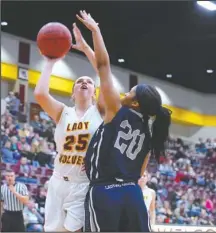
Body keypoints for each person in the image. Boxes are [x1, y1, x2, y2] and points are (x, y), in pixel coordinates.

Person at [78, 10, 171, 231]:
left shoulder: (117, 111)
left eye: (129, 92)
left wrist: (96, 31)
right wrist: (85, 49)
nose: (124, 93)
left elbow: (103, 67)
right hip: (132, 194)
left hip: (105, 193)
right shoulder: (150, 131)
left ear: (136, 103)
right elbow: (139, 173)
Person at [34, 18, 105, 232]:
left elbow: (104, 70)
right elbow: (39, 94)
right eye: (79, 82)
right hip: (58, 181)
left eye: (89, 81)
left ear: (95, 92)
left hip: (84, 183)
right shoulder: (63, 112)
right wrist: (49, 61)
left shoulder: (100, 111)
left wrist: (85, 48)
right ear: (72, 93)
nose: (84, 82)